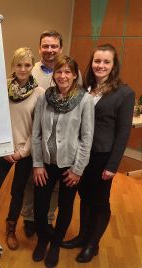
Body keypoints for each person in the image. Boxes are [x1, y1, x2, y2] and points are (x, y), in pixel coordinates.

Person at [61, 44, 135, 263]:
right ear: (91, 63)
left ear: (113, 65)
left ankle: (93, 244)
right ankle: (83, 236)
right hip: (81, 154)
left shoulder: (124, 93)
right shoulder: (85, 89)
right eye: (97, 61)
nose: (100, 65)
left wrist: (113, 166)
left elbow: (122, 134)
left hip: (102, 156)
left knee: (100, 201)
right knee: (84, 197)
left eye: (106, 62)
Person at [0, 47, 45, 250]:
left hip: (25, 152)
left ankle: (10, 230)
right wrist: (4, 148)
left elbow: (38, 128)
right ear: (12, 66)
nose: (23, 69)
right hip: (2, 149)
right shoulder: (2, 87)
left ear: (31, 66)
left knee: (17, 193)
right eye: (18, 65)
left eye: (27, 65)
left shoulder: (40, 93)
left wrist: (22, 152)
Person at [31, 55, 94, 268]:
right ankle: (43, 239)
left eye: (68, 71)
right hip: (46, 164)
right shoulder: (44, 97)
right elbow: (36, 132)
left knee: (65, 208)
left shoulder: (84, 100)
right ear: (54, 74)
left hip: (70, 166)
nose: (63, 75)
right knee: (40, 208)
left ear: (74, 74)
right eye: (59, 71)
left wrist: (78, 170)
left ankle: (56, 244)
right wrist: (37, 163)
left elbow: (87, 138)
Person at [21, 30, 63, 237]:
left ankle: (47, 219)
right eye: (45, 46)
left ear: (60, 48)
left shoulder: (70, 71)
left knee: (54, 185)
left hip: (58, 142)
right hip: (33, 138)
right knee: (32, 180)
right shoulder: (31, 72)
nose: (50, 50)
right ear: (39, 48)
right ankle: (29, 218)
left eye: (54, 46)